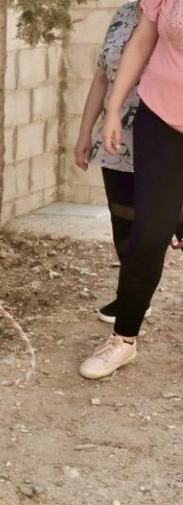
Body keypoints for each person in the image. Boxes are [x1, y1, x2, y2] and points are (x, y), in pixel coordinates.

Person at [79, 0, 183, 379]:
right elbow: (141, 43)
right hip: (162, 118)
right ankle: (123, 340)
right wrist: (114, 108)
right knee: (150, 232)